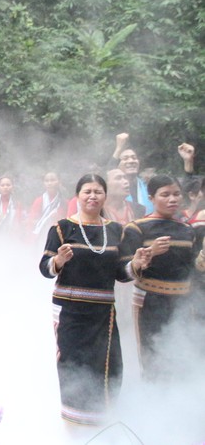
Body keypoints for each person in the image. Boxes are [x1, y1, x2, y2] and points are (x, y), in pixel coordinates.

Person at [39, 174, 148, 425]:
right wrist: (58, 261)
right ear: (77, 196)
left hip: (103, 313)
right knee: (73, 365)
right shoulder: (62, 228)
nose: (92, 196)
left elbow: (120, 273)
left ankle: (102, 422)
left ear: (105, 196)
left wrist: (136, 265)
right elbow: (44, 268)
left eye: (98, 191)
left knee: (109, 366)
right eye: (87, 191)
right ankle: (74, 426)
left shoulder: (115, 230)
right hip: (70, 311)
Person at [119, 175, 199, 379]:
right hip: (150, 301)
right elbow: (122, 271)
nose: (172, 199)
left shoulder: (188, 230)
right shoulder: (137, 228)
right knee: (152, 358)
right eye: (165, 195)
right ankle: (151, 404)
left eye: (176, 194)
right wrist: (148, 254)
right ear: (151, 198)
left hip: (183, 303)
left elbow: (194, 270)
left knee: (183, 357)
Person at [109, 133, 152, 214]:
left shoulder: (147, 185)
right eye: (125, 158)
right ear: (117, 164)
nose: (131, 161)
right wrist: (118, 148)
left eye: (134, 158)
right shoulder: (113, 189)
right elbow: (106, 175)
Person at [28, 172, 65, 240]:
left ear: (59, 182)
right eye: (47, 181)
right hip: (39, 236)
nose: (49, 183)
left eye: (52, 180)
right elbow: (31, 220)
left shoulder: (64, 202)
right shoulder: (38, 201)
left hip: (58, 236)